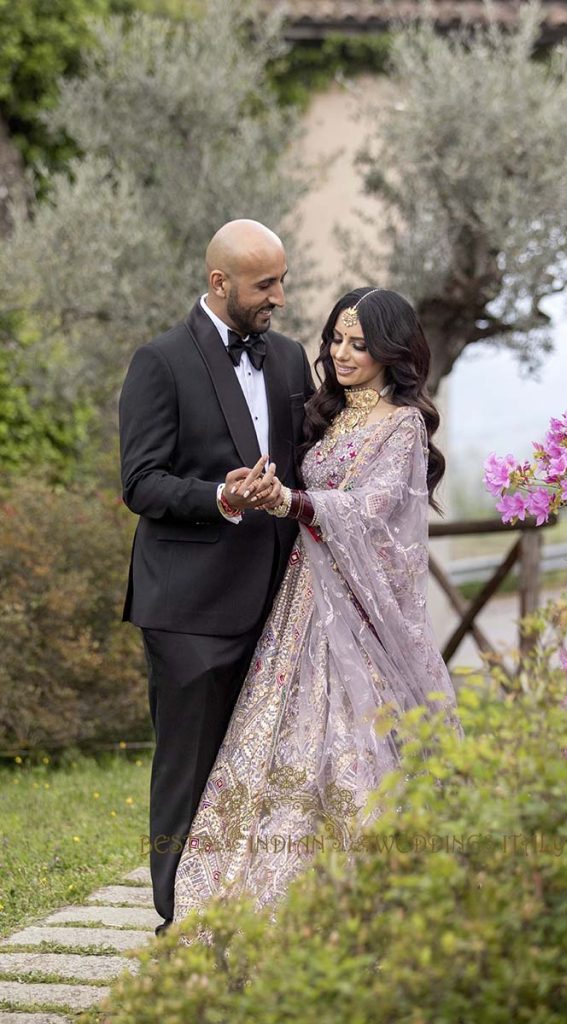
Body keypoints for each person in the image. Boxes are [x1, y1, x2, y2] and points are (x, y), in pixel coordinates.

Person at [172, 287, 464, 932]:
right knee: (288, 732)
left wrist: (292, 503)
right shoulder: (325, 416)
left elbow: (372, 514)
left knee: (354, 739)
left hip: (359, 610)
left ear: (393, 352)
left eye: (359, 344)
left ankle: (366, 902)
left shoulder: (402, 423)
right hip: (301, 599)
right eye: (336, 340)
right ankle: (252, 896)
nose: (341, 354)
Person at [118, 219, 314, 936]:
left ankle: (243, 905)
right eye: (266, 284)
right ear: (219, 282)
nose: (281, 297)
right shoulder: (160, 362)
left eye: (282, 280)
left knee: (263, 764)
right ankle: (177, 917)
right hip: (187, 606)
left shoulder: (291, 360)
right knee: (188, 767)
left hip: (276, 599)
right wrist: (220, 496)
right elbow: (140, 482)